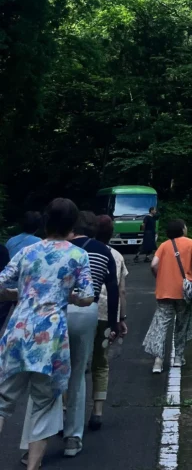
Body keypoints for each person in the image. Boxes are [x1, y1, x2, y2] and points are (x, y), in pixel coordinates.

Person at [0, 199, 94, 470]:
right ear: (72, 225)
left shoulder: (27, 251)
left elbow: (2, 284)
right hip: (50, 338)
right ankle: (32, 467)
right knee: (44, 404)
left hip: (17, 331)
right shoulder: (78, 255)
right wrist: (70, 298)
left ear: (46, 221)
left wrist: (17, 294)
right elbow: (88, 296)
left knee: (2, 401)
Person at [60, 211, 119, 457]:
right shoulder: (103, 251)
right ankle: (76, 434)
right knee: (82, 371)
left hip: (57, 311)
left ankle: (49, 426)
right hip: (89, 312)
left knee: (54, 370)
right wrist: (114, 323)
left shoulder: (60, 247)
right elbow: (113, 288)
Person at [143, 220, 192, 373]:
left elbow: (153, 264)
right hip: (184, 292)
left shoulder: (164, 245)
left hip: (165, 292)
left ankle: (158, 361)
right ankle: (178, 358)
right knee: (182, 324)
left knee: (161, 325)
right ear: (182, 229)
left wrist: (160, 278)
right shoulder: (191, 243)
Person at [89, 215, 128, 431]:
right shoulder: (117, 256)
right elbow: (121, 290)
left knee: (74, 362)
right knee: (101, 362)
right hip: (106, 314)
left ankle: (66, 408)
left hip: (83, 311)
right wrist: (121, 319)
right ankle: (97, 411)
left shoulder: (83, 249)